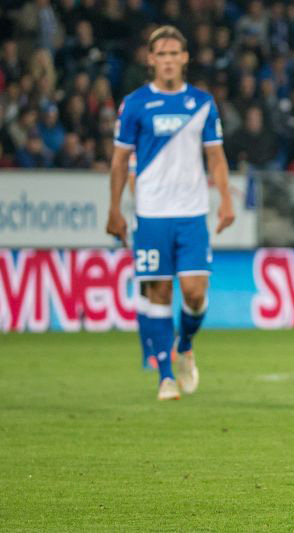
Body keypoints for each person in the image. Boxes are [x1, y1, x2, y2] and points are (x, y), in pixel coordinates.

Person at [105, 26, 235, 401]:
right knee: (159, 291)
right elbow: (119, 162)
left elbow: (216, 157)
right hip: (151, 213)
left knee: (194, 293)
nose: (167, 60)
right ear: (150, 59)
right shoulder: (135, 104)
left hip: (192, 213)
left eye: (173, 53)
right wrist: (114, 209)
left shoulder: (202, 103)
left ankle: (186, 344)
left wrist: (226, 200)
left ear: (185, 58)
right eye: (160, 54)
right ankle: (165, 376)